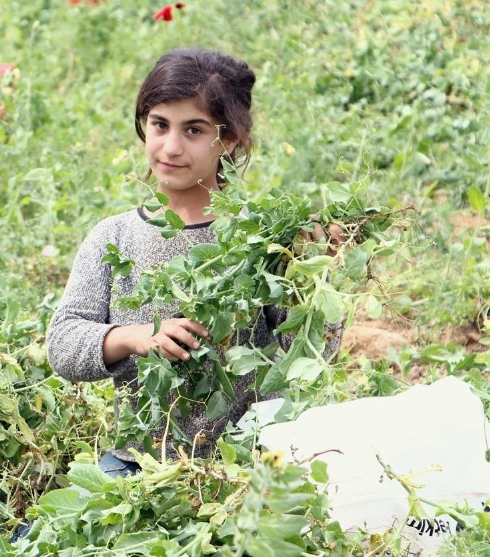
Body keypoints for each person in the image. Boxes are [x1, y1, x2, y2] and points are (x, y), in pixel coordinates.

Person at [45, 47, 342, 478]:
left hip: (249, 461)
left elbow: (316, 352)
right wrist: (136, 337)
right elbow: (63, 342)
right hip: (139, 461)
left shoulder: (262, 240)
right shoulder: (114, 238)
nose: (171, 147)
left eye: (194, 130)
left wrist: (319, 279)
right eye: (159, 125)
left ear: (231, 139)